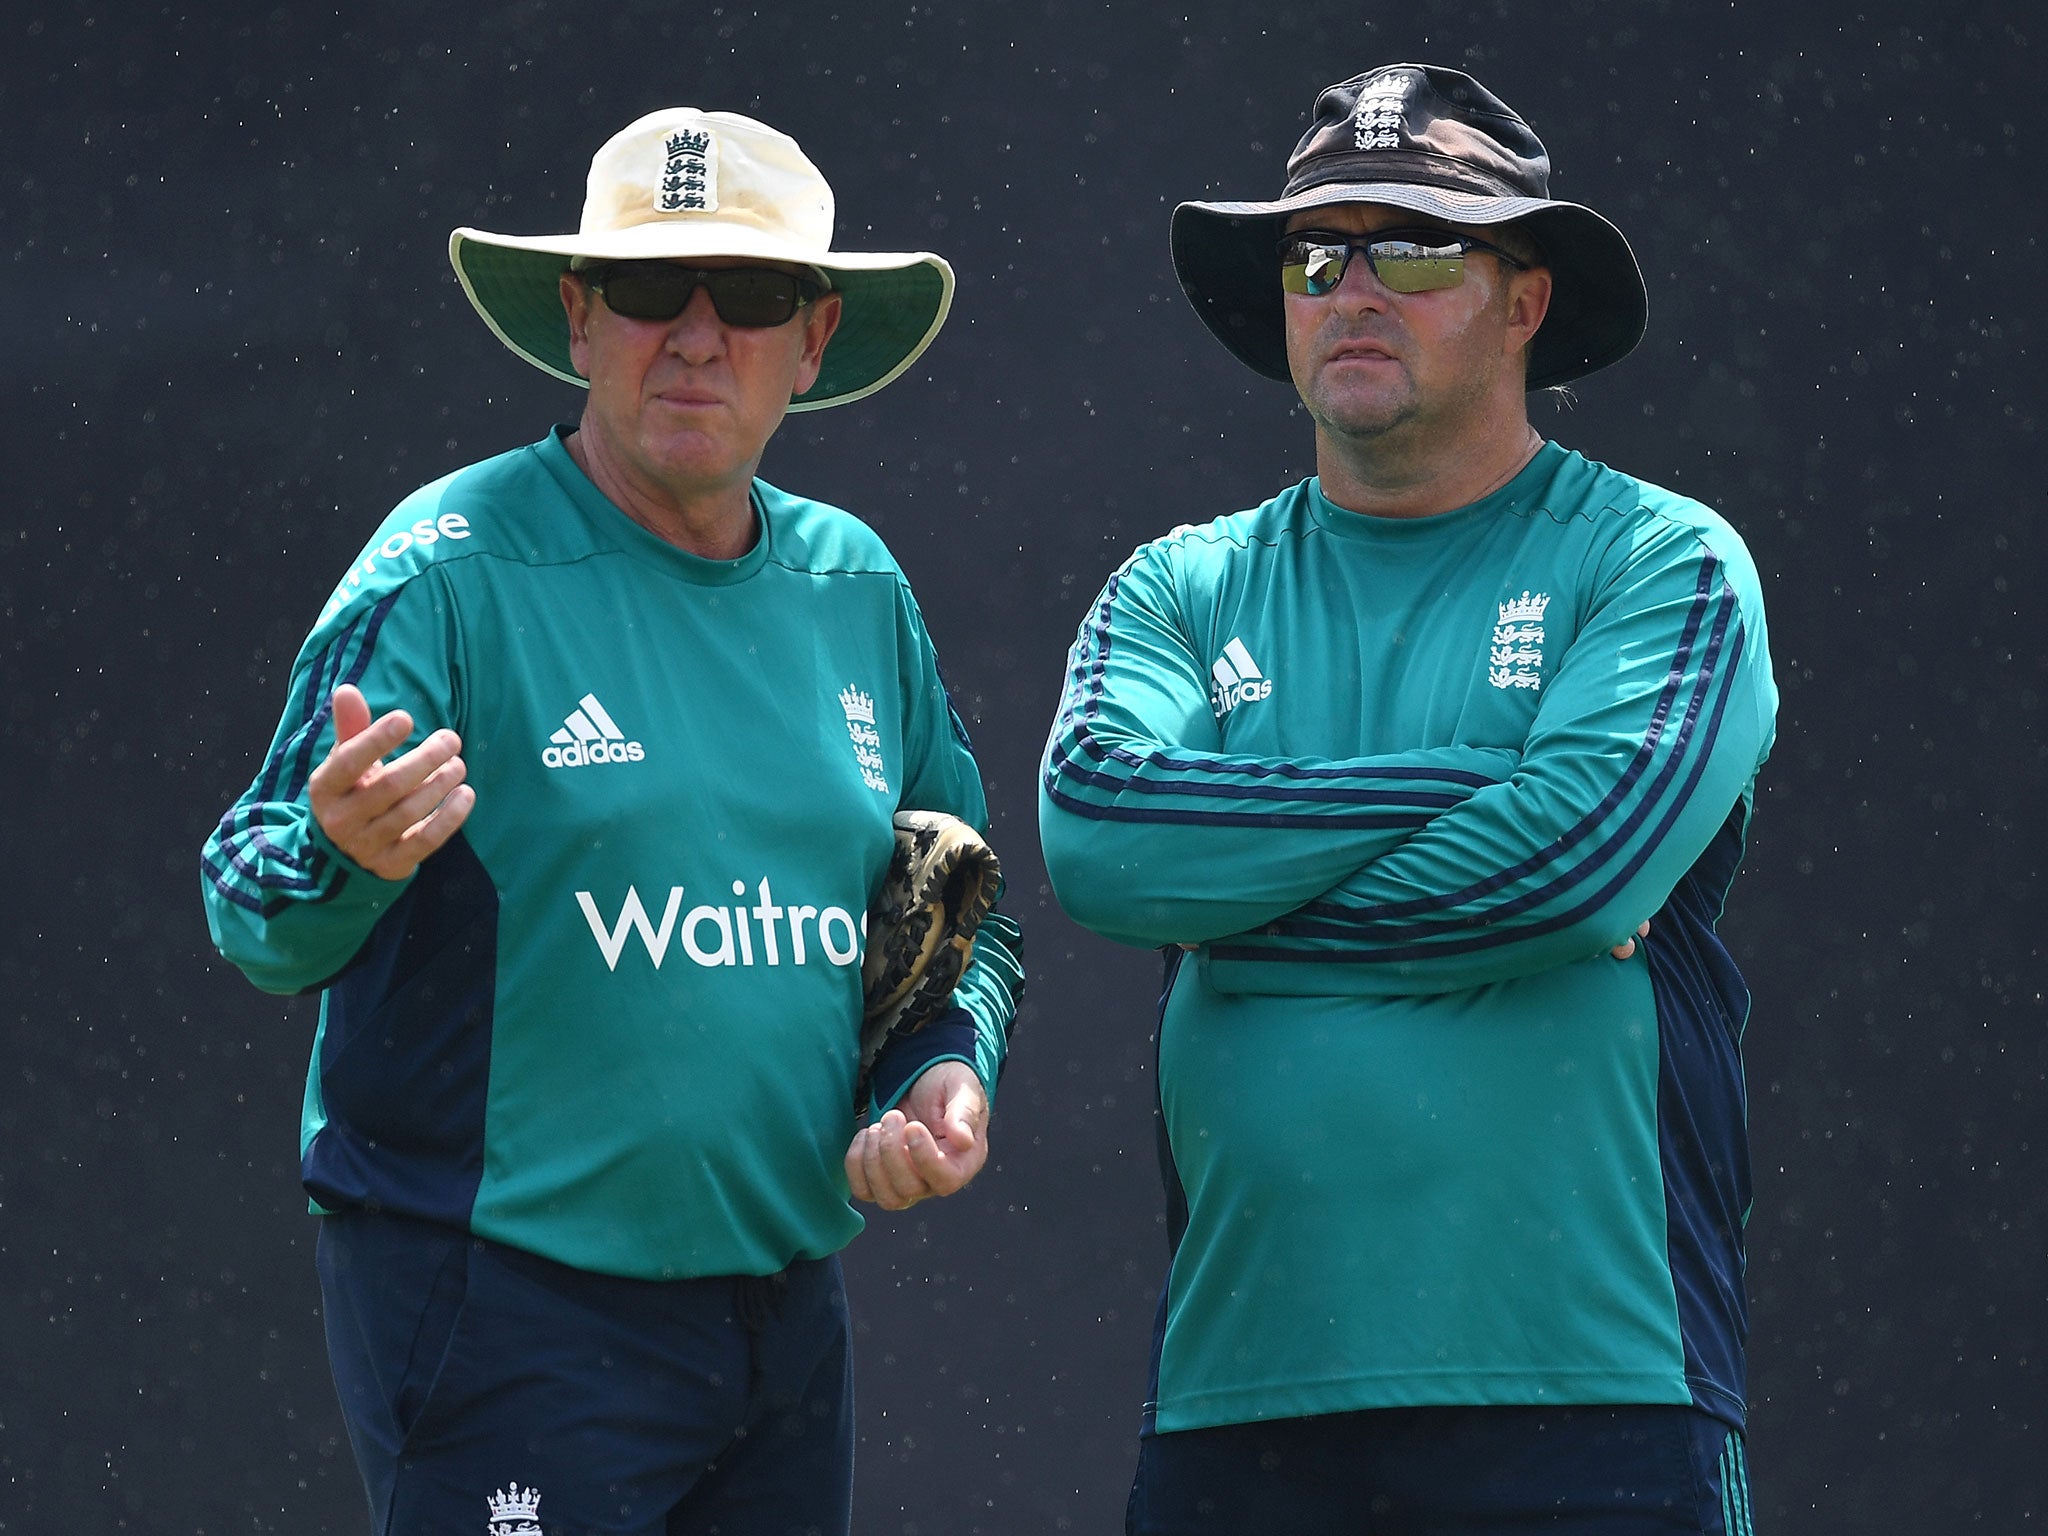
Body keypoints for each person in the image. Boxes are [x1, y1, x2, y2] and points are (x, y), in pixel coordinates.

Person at [200, 106, 1023, 1536]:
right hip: (504, 1299)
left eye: (751, 298)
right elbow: (254, 908)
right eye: (649, 291)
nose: (696, 337)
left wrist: (938, 1068)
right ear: (579, 319)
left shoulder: (855, 584)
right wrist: (340, 852)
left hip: (781, 1320)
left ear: (814, 339)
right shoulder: (445, 570)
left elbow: (959, 906)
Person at [1039, 64, 1775, 1535]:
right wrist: (1484, 784)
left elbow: (1574, 873)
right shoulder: (1181, 583)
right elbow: (1105, 842)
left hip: (1597, 1391)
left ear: (1527, 299)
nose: (1353, 286)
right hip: (1241, 1405)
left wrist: (1235, 911)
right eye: (1318, 254)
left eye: (1420, 245)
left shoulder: (1661, 559)